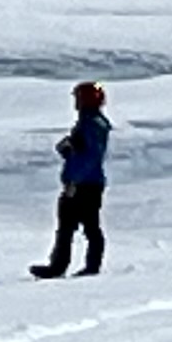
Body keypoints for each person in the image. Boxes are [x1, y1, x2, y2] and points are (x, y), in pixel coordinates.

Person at [33, 80, 110, 278]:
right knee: (75, 225)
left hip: (84, 184)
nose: (75, 102)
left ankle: (67, 267)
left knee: (79, 226)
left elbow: (91, 156)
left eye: (78, 98)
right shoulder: (91, 122)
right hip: (86, 182)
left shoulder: (91, 124)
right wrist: (69, 151)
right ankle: (65, 266)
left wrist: (74, 180)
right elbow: (86, 154)